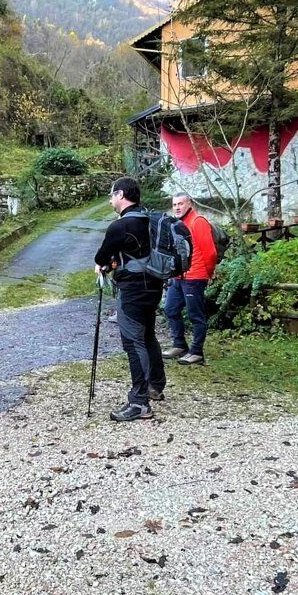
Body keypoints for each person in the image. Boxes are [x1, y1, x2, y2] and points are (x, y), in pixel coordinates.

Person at [94, 177, 166, 421]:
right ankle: (156, 386)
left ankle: (139, 402)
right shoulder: (149, 220)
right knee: (147, 336)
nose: (111, 200)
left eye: (112, 195)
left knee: (133, 342)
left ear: (122, 195)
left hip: (132, 290)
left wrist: (103, 266)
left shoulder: (120, 226)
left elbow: (101, 256)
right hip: (154, 286)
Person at [162, 192, 218, 365]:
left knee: (196, 315)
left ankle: (197, 351)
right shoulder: (178, 224)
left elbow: (210, 253)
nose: (177, 207)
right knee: (170, 309)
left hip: (195, 276)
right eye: (174, 204)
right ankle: (180, 345)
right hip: (178, 276)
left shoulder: (198, 222)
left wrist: (206, 273)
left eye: (181, 204)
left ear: (190, 204)